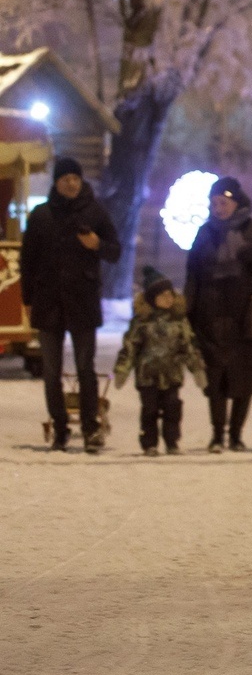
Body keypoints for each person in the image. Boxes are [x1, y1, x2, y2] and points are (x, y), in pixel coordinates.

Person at [20, 156, 122, 453]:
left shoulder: (95, 212)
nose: (72, 183)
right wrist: (27, 300)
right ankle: (60, 428)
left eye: (76, 178)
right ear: (57, 182)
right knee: (50, 371)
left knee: (85, 368)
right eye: (66, 179)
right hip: (48, 301)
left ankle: (90, 428)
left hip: (83, 301)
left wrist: (97, 245)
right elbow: (29, 262)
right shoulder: (41, 215)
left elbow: (115, 250)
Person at [185, 176, 252, 453]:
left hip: (245, 316)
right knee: (215, 379)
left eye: (223, 202)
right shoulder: (204, 233)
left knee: (243, 377)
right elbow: (193, 274)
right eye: (214, 202)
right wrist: (188, 309)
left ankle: (236, 434)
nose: (218, 208)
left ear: (236, 203)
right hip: (211, 315)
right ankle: (217, 434)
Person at [113, 266, 207, 455]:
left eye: (170, 294)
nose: (168, 298)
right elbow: (130, 348)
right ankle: (149, 443)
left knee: (173, 408)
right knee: (150, 410)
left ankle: (172, 442)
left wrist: (197, 369)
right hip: (147, 376)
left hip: (172, 374)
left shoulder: (179, 321)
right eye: (162, 295)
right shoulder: (141, 323)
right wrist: (122, 370)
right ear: (151, 298)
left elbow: (188, 346)